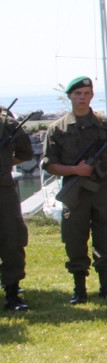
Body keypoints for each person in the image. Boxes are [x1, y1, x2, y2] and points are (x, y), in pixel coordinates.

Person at [41, 76, 107, 304]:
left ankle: (106, 285)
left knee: (105, 235)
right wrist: (76, 170)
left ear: (91, 95)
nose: (82, 97)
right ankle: (79, 287)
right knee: (75, 237)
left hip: (100, 187)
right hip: (74, 190)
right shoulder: (57, 129)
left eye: (86, 93)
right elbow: (50, 164)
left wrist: (100, 162)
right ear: (70, 96)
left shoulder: (105, 125)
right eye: (78, 93)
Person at [1, 103, 34, 311]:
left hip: (2, 189)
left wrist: (5, 163)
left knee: (11, 239)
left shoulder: (7, 124)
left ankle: (12, 291)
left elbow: (26, 152)